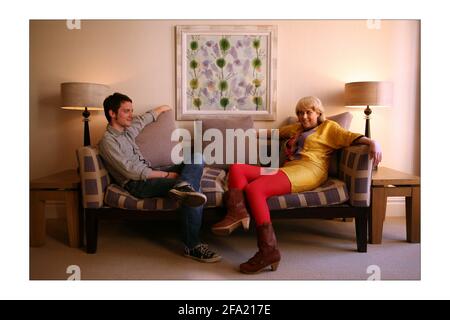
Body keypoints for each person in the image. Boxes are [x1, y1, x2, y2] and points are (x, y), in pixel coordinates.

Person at [211, 96, 382, 274]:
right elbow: (274, 133)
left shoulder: (329, 128)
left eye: (308, 112)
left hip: (308, 172)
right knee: (237, 168)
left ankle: (268, 251)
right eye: (300, 113)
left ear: (318, 113)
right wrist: (246, 133)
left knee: (255, 189)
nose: (304, 116)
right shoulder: (297, 129)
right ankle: (237, 213)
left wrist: (373, 142)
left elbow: (351, 137)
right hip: (287, 169)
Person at [99, 92, 221, 263]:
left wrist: (163, 108)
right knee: (194, 191)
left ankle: (184, 185)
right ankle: (192, 246)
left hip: (150, 173)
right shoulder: (108, 141)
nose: (131, 115)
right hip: (138, 184)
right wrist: (166, 174)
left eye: (131, 110)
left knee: (198, 156)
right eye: (126, 111)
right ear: (112, 113)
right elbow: (131, 171)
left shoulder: (127, 131)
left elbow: (143, 119)